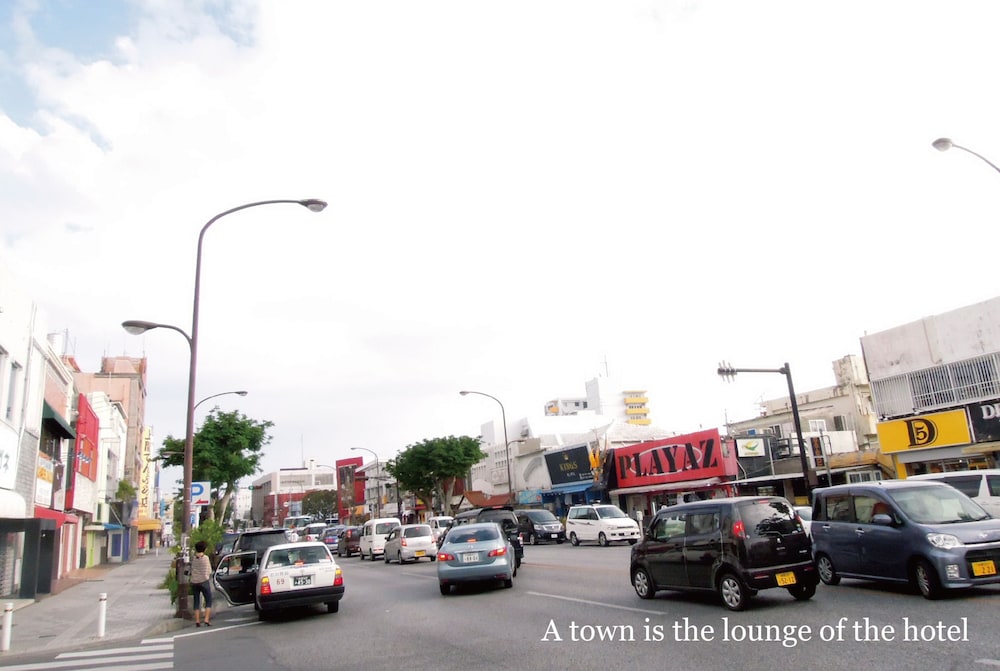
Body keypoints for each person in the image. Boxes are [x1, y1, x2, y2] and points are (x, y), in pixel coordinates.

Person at [189, 540, 213, 627]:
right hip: (204, 581)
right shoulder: (205, 558)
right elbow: (209, 570)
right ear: (204, 549)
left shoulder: (193, 558)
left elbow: (191, 569)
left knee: (196, 601)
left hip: (194, 581)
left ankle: (197, 620)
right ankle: (206, 619)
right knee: (208, 600)